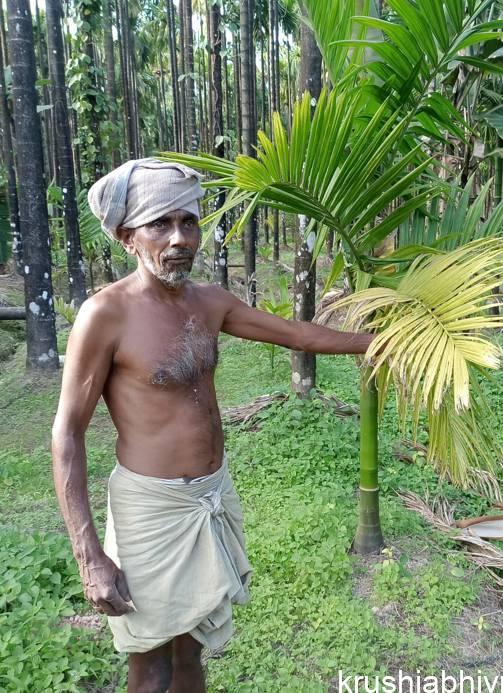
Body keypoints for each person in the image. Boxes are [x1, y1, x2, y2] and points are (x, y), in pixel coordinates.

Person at [51, 158, 374, 693]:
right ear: (129, 236)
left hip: (213, 496)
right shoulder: (105, 315)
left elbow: (299, 335)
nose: (179, 238)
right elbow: (66, 433)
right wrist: (89, 555)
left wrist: (381, 343)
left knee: (192, 652)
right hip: (151, 511)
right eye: (160, 224)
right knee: (149, 666)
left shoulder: (211, 303)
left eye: (188, 222)